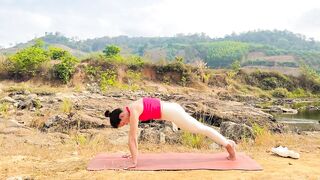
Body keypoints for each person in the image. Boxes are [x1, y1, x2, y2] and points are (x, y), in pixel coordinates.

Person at [104, 97, 236, 168]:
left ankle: (228, 146)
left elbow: (132, 138)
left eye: (124, 123)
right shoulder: (132, 108)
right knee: (200, 128)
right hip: (172, 109)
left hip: (173, 112)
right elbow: (132, 137)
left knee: (200, 129)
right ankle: (227, 142)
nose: (126, 124)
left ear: (121, 116)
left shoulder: (133, 111)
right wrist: (133, 154)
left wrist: (134, 161)